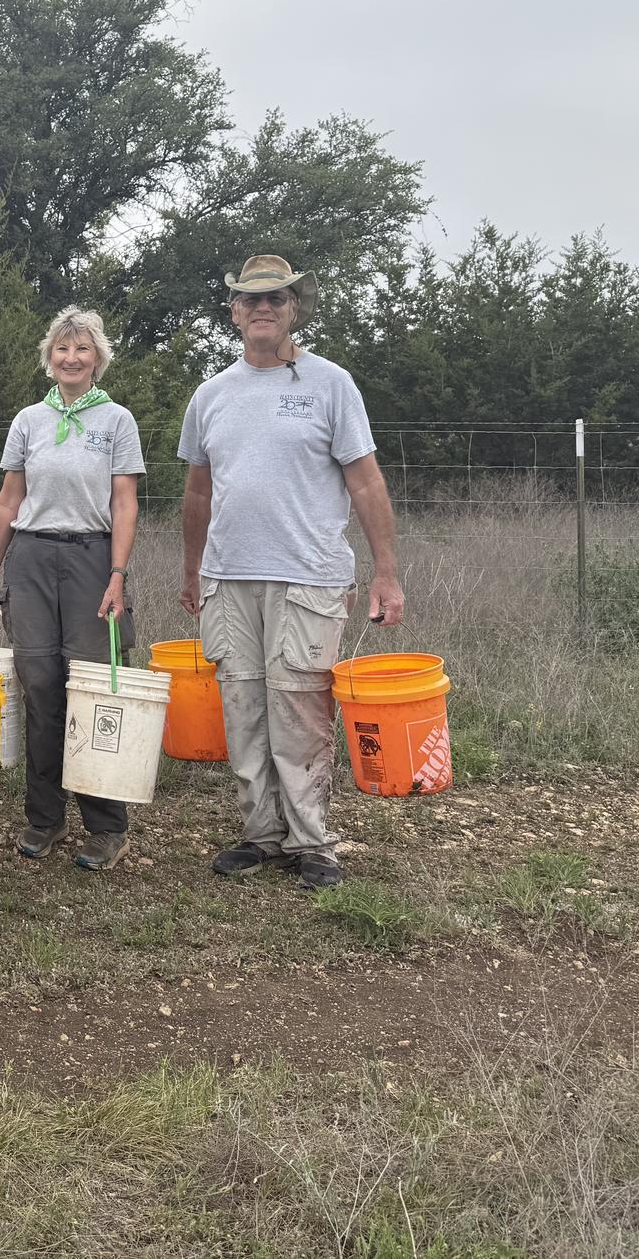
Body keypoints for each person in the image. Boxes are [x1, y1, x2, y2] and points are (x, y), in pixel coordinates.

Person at [176, 254, 406, 891]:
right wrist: (192, 572)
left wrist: (386, 572)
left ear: (293, 307)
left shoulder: (331, 385)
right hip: (229, 577)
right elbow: (198, 493)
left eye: (275, 299)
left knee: (300, 706)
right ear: (234, 313)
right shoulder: (212, 394)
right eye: (251, 301)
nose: (263, 310)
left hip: (308, 574)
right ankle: (261, 835)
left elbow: (365, 481)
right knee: (244, 705)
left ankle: (313, 841)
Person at [0, 306, 144, 872]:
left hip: (93, 557)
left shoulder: (116, 420)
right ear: (50, 359)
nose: (72, 358)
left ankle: (106, 826)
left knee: (92, 689)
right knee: (41, 685)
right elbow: (8, 501)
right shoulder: (29, 421)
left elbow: (123, 502)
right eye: (62, 349)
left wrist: (117, 575)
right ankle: (44, 818)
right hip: (33, 558)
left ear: (98, 359)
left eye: (83, 349)